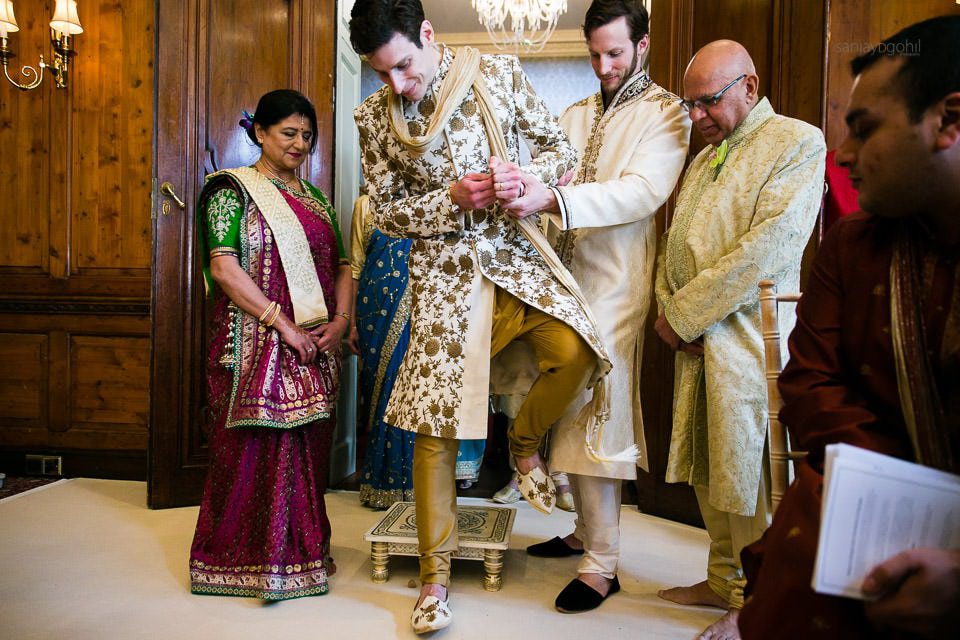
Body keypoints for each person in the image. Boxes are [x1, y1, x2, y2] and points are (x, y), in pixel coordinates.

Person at [349, 0, 612, 632]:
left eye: (405, 67)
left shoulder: (498, 74)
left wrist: (522, 180)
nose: (396, 86)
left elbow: (555, 151)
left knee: (577, 353)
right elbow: (385, 210)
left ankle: (522, 446)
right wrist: (450, 199)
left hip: (515, 264)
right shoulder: (373, 118)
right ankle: (434, 580)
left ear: (429, 36)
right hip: (443, 282)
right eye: (382, 73)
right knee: (435, 431)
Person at [738, 16, 960, 639]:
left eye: (864, 130)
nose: (843, 155)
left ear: (948, 120)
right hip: (867, 507)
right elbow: (810, 383)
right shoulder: (853, 246)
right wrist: (898, 502)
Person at [503, 0, 691, 613]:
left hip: (617, 279)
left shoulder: (666, 113)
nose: (603, 66)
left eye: (614, 53)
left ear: (642, 44)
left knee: (596, 409)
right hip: (562, 277)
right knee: (562, 399)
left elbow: (643, 192)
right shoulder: (576, 111)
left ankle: (602, 563)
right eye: (593, 54)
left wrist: (554, 197)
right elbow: (545, 168)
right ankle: (584, 531)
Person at [653, 40, 825, 638]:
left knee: (746, 472)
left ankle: (756, 601)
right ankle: (723, 580)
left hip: (750, 341)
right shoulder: (706, 157)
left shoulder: (798, 143)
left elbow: (767, 251)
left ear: (749, 87)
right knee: (707, 466)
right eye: (689, 103)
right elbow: (671, 243)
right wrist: (667, 308)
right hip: (696, 339)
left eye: (708, 102)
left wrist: (683, 315)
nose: (696, 116)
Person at [189, 89, 352, 599]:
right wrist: (281, 324)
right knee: (254, 449)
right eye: (289, 132)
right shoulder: (230, 191)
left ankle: (301, 555)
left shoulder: (317, 200)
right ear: (259, 132)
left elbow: (344, 267)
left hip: (315, 344)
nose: (300, 143)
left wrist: (342, 321)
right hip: (255, 342)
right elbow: (224, 267)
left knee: (306, 450)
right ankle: (238, 562)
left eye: (307, 135)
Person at [349, 196, 487, 509]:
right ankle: (380, 481)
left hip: (427, 309)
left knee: (419, 390)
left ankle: (421, 486)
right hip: (374, 308)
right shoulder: (366, 206)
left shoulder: (440, 199)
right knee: (379, 390)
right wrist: (353, 322)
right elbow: (357, 265)